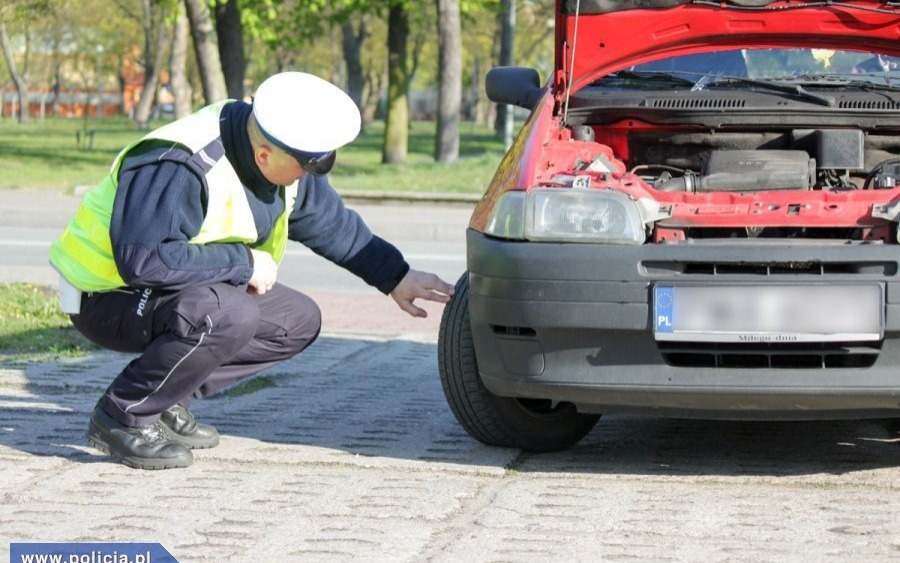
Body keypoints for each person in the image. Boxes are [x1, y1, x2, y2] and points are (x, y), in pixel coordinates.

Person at [49, 71, 455, 470]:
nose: (314, 172)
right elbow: (144, 259)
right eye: (311, 163)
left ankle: (168, 397)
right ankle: (124, 414)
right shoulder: (179, 163)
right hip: (105, 294)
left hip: (172, 289)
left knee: (295, 320)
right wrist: (244, 264)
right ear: (265, 155)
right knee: (230, 314)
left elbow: (329, 222)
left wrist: (396, 277)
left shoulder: (284, 152)